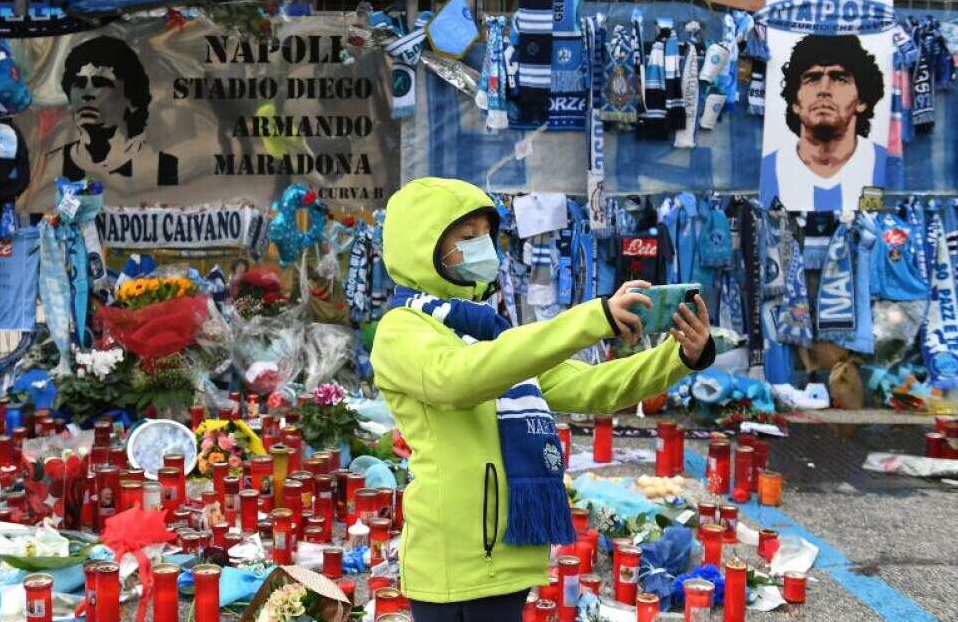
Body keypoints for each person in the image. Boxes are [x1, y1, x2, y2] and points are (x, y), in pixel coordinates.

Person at [372, 177, 714, 621]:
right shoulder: (403, 330)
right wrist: (593, 319)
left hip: (513, 553)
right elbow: (459, 380)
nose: (483, 249)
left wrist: (682, 356)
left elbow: (593, 386)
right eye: (466, 237)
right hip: (452, 559)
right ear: (425, 247)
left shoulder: (490, 331)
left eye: (486, 237)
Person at [21, 34, 177, 212]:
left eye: (100, 84)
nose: (88, 95)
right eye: (80, 84)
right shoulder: (61, 154)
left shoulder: (161, 162)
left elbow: (169, 212)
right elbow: (51, 213)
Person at [761, 34, 887, 212]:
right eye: (812, 79)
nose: (824, 90)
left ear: (862, 100)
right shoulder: (769, 168)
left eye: (839, 79)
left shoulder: (883, 162)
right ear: (795, 102)